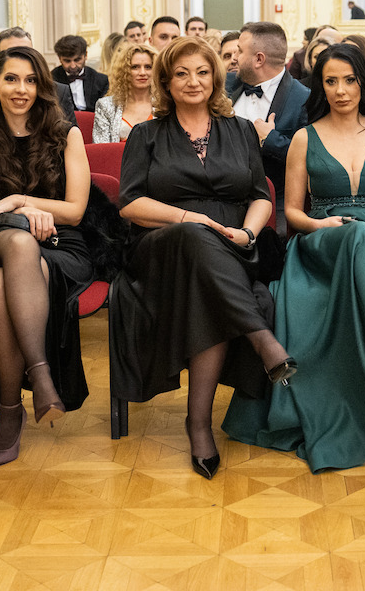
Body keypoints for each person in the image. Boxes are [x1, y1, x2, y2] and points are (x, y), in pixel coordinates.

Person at [223, 43, 365, 471]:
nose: (341, 90)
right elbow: (292, 212)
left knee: (363, 236)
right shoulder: (304, 138)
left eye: (349, 80)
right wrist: (322, 224)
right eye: (331, 81)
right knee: (356, 234)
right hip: (319, 242)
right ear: (321, 86)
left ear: (364, 82)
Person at [110, 37, 296, 480]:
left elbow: (260, 196)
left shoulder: (241, 130)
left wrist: (248, 232)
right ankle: (262, 340)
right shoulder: (146, 135)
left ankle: (198, 424)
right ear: (166, 82)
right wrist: (189, 218)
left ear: (215, 78)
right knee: (195, 236)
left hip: (232, 245)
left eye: (202, 72)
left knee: (206, 295)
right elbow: (130, 204)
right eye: (181, 73)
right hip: (162, 247)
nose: (193, 81)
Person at [0, 46, 94, 469]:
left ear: (41, 87)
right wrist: (21, 217)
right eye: (10, 79)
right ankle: (41, 375)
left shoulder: (66, 135)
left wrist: (20, 200)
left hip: (61, 244)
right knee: (20, 244)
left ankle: (10, 411)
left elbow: (74, 211)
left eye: (30, 80)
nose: (21, 89)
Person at [226, 22, 311, 229]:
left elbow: (313, 158)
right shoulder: (225, 85)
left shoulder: (303, 99)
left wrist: (271, 140)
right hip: (222, 200)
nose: (234, 58)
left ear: (259, 59)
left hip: (276, 207)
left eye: (240, 51)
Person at [0, 28, 76, 132]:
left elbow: (69, 135)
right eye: (13, 53)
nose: (20, 59)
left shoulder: (59, 92)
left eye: (26, 53)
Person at [93, 42, 155, 142]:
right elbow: (101, 147)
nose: (142, 72)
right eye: (135, 67)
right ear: (124, 71)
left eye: (148, 67)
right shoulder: (106, 106)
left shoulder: (164, 104)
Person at [51, 34, 110, 112]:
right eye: (67, 61)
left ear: (85, 55)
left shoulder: (101, 80)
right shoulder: (51, 79)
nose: (73, 66)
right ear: (60, 59)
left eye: (77, 60)